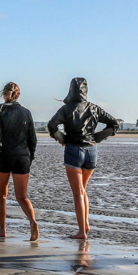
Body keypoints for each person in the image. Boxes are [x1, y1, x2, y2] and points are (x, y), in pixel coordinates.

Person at [47, 77, 119, 239]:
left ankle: (81, 231)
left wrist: (62, 139)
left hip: (73, 149)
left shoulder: (66, 109)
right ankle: (85, 224)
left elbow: (52, 125)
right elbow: (114, 124)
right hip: (91, 151)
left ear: (71, 90)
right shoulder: (94, 108)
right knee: (82, 190)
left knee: (78, 192)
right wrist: (97, 138)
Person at [0, 82, 39, 240]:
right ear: (17, 95)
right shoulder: (26, 112)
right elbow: (33, 140)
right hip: (22, 157)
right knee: (22, 197)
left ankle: (2, 230)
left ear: (4, 94)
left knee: (1, 195)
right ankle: (32, 222)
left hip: (4, 157)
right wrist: (30, 157)